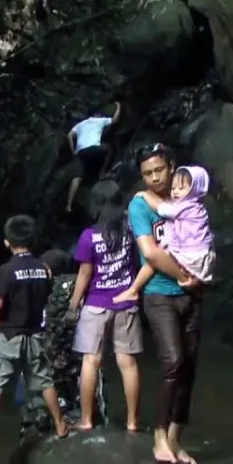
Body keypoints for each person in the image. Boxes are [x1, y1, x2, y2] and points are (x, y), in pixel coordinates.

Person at [127, 143, 204, 464]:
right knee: (173, 362)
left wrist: (199, 279)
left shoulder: (184, 195)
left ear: (171, 166)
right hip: (159, 294)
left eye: (160, 170)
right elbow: (152, 253)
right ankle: (158, 434)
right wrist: (187, 276)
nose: (155, 178)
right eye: (148, 173)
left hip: (193, 294)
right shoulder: (139, 207)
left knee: (189, 368)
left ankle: (175, 439)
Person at [0, 215, 69, 445]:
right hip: (35, 335)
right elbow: (45, 296)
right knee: (44, 381)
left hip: (10, 337)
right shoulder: (43, 269)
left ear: (7, 242)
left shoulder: (7, 269)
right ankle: (60, 424)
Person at [68, 181, 142, 432]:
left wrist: (72, 305)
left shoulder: (89, 236)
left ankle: (87, 420)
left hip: (96, 304)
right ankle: (133, 422)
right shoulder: (130, 232)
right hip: (126, 302)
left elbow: (84, 274)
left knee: (91, 361)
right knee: (128, 363)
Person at [114, 165, 216, 303]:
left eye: (181, 188)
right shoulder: (200, 207)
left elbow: (163, 210)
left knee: (157, 255)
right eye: (174, 188)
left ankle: (133, 290)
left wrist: (145, 195)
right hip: (203, 257)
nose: (175, 192)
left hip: (189, 254)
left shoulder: (186, 206)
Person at [65, 102, 121, 213]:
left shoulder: (81, 124)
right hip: (94, 149)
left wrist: (73, 150)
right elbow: (115, 120)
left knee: (77, 176)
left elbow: (69, 135)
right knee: (109, 149)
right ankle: (102, 173)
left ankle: (68, 205)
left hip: (81, 152)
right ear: (97, 115)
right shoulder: (99, 120)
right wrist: (119, 107)